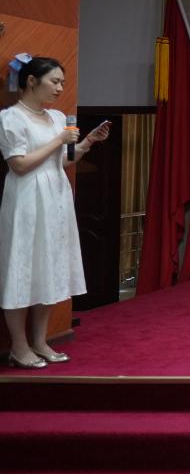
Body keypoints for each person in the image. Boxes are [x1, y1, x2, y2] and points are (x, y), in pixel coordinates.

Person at [2, 56, 110, 368]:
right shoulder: (11, 118)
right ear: (31, 81)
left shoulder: (57, 117)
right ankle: (19, 347)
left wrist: (87, 142)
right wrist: (59, 140)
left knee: (48, 267)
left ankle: (40, 341)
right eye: (54, 81)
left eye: (62, 82)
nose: (60, 88)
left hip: (55, 197)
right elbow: (19, 164)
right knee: (22, 269)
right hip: (25, 199)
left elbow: (63, 160)